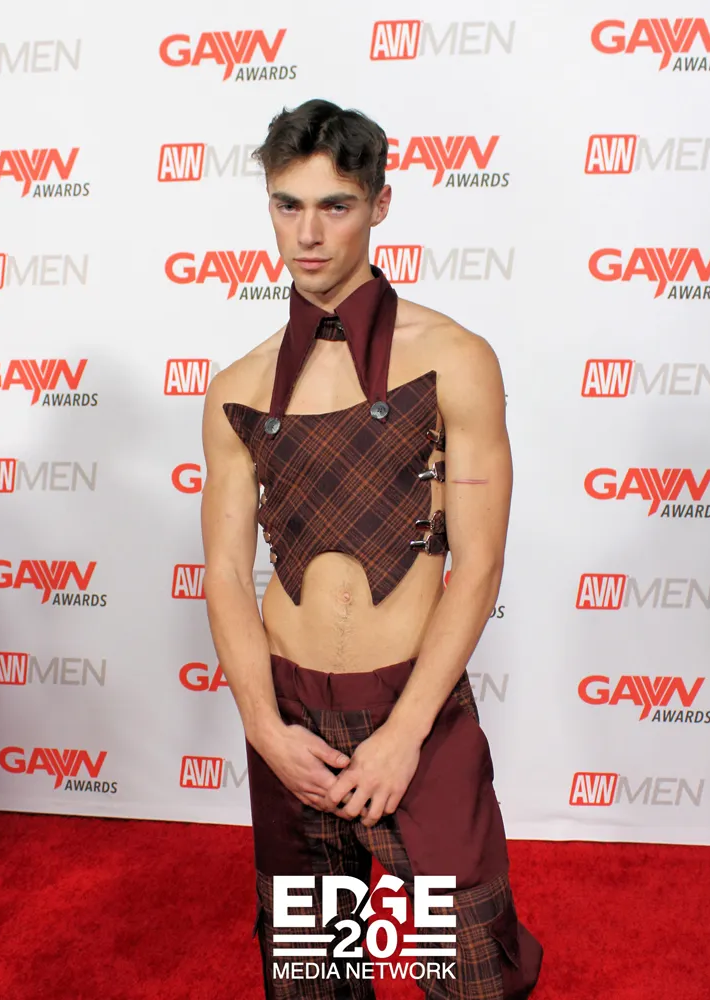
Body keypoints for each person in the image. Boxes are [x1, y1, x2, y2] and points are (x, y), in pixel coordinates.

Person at [200, 98, 542, 1000]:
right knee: (314, 978)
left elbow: (479, 564)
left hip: (412, 707)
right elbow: (224, 574)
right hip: (288, 716)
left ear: (380, 205)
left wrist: (404, 733)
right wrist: (264, 729)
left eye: (335, 206)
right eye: (287, 205)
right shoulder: (238, 384)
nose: (308, 234)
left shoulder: (455, 358)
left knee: (468, 973)